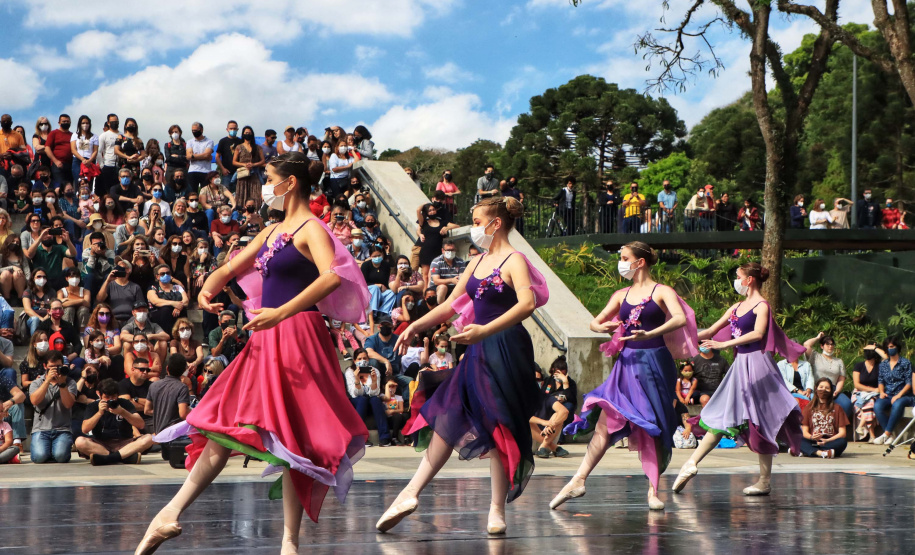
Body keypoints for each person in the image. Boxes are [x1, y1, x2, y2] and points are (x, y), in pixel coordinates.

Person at [137, 151, 370, 555]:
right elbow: (227, 269)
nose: (264, 186)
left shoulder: (312, 228)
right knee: (224, 423)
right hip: (267, 339)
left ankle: (289, 542)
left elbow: (334, 276)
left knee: (296, 438)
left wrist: (281, 311)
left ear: (290, 183)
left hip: (298, 336)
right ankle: (168, 514)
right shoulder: (270, 231)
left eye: (269, 178)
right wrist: (208, 289)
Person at [376, 196, 548, 535]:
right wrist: (415, 325)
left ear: (495, 223)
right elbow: (454, 305)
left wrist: (487, 329)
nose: (472, 227)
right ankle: (410, 492)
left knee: (499, 422)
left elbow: (527, 303)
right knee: (450, 408)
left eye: (477, 219)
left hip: (506, 346)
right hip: (479, 346)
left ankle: (496, 510)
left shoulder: (515, 260)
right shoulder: (478, 261)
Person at [554, 241, 695, 512]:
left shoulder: (662, 290)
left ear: (640, 262)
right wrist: (601, 325)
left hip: (654, 362)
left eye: (624, 257)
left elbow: (679, 319)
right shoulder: (621, 294)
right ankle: (578, 479)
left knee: (653, 425)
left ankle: (654, 489)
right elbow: (594, 322)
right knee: (606, 423)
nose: (621, 262)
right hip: (626, 364)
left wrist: (650, 334)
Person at [673, 262, 805, 498]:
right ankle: (690, 463)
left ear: (749, 280)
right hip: (741, 366)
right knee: (723, 413)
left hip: (758, 365)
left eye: (738, 276)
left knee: (762, 421)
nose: (736, 280)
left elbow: (758, 334)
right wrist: (678, 338)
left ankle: (764, 481)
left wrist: (725, 344)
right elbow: (711, 330)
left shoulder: (762, 306)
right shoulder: (737, 306)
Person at [75, 377, 153, 465]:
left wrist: (123, 412)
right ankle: (124, 457)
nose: (110, 400)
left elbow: (141, 425)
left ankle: (107, 458)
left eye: (113, 397)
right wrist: (99, 413)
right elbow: (85, 429)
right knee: (79, 441)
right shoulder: (93, 406)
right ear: (99, 394)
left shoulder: (125, 403)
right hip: (101, 444)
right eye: (106, 397)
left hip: (124, 442)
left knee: (149, 438)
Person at [28, 351, 77, 463]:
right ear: (45, 366)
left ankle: (53, 452)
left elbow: (68, 404)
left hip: (62, 429)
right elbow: (34, 401)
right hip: (41, 429)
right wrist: (47, 381)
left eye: (58, 366)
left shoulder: (70, 382)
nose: (55, 369)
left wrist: (62, 384)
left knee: (61, 457)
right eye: (52, 367)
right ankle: (48, 452)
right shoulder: (36, 383)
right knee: (39, 457)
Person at [343, 349, 390, 447]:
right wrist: (356, 379)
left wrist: (373, 381)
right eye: (359, 358)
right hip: (358, 401)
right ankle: (360, 437)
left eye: (365, 358)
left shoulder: (375, 371)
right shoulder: (350, 372)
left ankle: (385, 437)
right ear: (355, 361)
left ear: (368, 360)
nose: (362, 360)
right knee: (363, 399)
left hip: (372, 402)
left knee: (376, 399)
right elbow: (354, 394)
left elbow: (375, 392)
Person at [872, 337, 914, 445]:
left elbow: (909, 383)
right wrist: (881, 392)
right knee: (877, 406)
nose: (890, 349)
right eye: (888, 347)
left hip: (904, 394)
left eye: (892, 347)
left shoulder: (905, 363)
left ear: (897, 347)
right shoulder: (883, 364)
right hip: (888, 393)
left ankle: (886, 434)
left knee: (897, 404)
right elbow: (880, 380)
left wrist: (899, 395)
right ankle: (889, 436)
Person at [803, 333, 852, 420]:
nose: (830, 346)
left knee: (847, 404)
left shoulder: (839, 361)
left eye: (832, 344)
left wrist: (837, 391)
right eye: (827, 344)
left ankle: (837, 425)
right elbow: (806, 345)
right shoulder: (815, 356)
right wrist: (817, 337)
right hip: (818, 389)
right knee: (815, 405)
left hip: (833, 389)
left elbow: (841, 378)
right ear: (822, 346)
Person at [799, 377, 850, 458]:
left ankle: (807, 451)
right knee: (798, 439)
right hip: (813, 441)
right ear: (816, 389)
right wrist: (812, 437)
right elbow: (804, 431)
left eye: (827, 388)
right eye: (821, 387)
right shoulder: (808, 408)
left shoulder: (837, 408)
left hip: (830, 441)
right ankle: (821, 453)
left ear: (831, 391)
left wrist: (827, 440)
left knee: (842, 442)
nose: (823, 390)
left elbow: (842, 433)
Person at [146, 354, 191, 437]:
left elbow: (147, 410)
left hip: (158, 433)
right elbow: (183, 414)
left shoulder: (153, 385)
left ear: (167, 368)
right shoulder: (182, 387)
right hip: (174, 435)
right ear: (184, 370)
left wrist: (162, 410)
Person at [852, 343, 884, 442]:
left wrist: (875, 348)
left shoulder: (880, 366)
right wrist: (872, 389)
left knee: (869, 403)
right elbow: (857, 385)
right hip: (859, 393)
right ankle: (872, 435)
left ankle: (863, 428)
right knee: (869, 405)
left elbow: (886, 357)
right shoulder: (859, 366)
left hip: (873, 395)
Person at [186, 122, 215, 192]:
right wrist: (204, 156)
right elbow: (188, 156)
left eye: (195, 130)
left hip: (206, 171)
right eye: (192, 131)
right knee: (192, 194)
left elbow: (207, 155)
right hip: (193, 171)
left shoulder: (209, 141)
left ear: (201, 130)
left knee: (206, 194)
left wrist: (193, 155)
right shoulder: (190, 142)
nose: (194, 132)